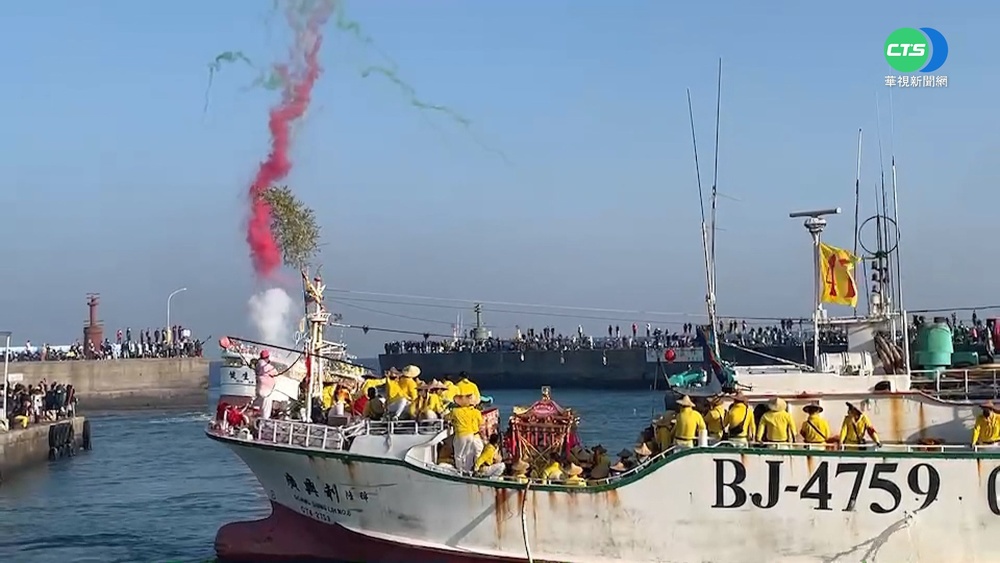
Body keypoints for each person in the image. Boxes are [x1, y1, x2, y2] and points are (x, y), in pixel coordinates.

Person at [448, 393, 484, 472]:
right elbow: (481, 424)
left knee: (458, 455)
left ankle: (460, 471)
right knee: (468, 455)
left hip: (461, 434)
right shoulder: (475, 412)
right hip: (472, 434)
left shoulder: (455, 411)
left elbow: (446, 418)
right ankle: (469, 471)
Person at [255, 350, 278, 419]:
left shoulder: (258, 365)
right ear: (267, 357)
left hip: (259, 388)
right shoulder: (266, 366)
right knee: (266, 410)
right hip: (266, 391)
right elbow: (275, 372)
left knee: (261, 407)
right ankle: (264, 422)